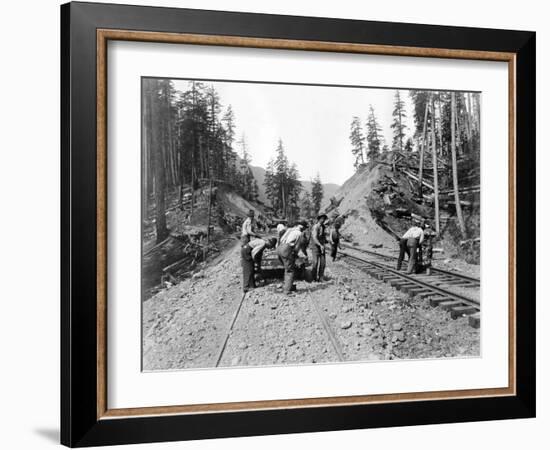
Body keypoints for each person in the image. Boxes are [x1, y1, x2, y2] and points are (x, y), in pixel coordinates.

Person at [277, 221, 308, 294]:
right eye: (304, 228)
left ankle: (288, 285)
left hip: (279, 248)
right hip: (286, 249)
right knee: (290, 270)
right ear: (302, 227)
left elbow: (281, 239)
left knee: (287, 268)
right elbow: (297, 247)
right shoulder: (299, 233)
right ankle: (287, 290)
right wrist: (302, 256)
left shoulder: (290, 230)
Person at [310, 214, 327, 281]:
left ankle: (321, 277)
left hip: (322, 246)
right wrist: (320, 245)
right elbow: (314, 237)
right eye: (322, 218)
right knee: (315, 262)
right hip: (316, 246)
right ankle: (313, 278)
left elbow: (323, 236)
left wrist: (325, 241)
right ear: (319, 219)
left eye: (324, 219)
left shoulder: (323, 227)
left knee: (323, 263)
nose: (323, 220)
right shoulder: (315, 227)